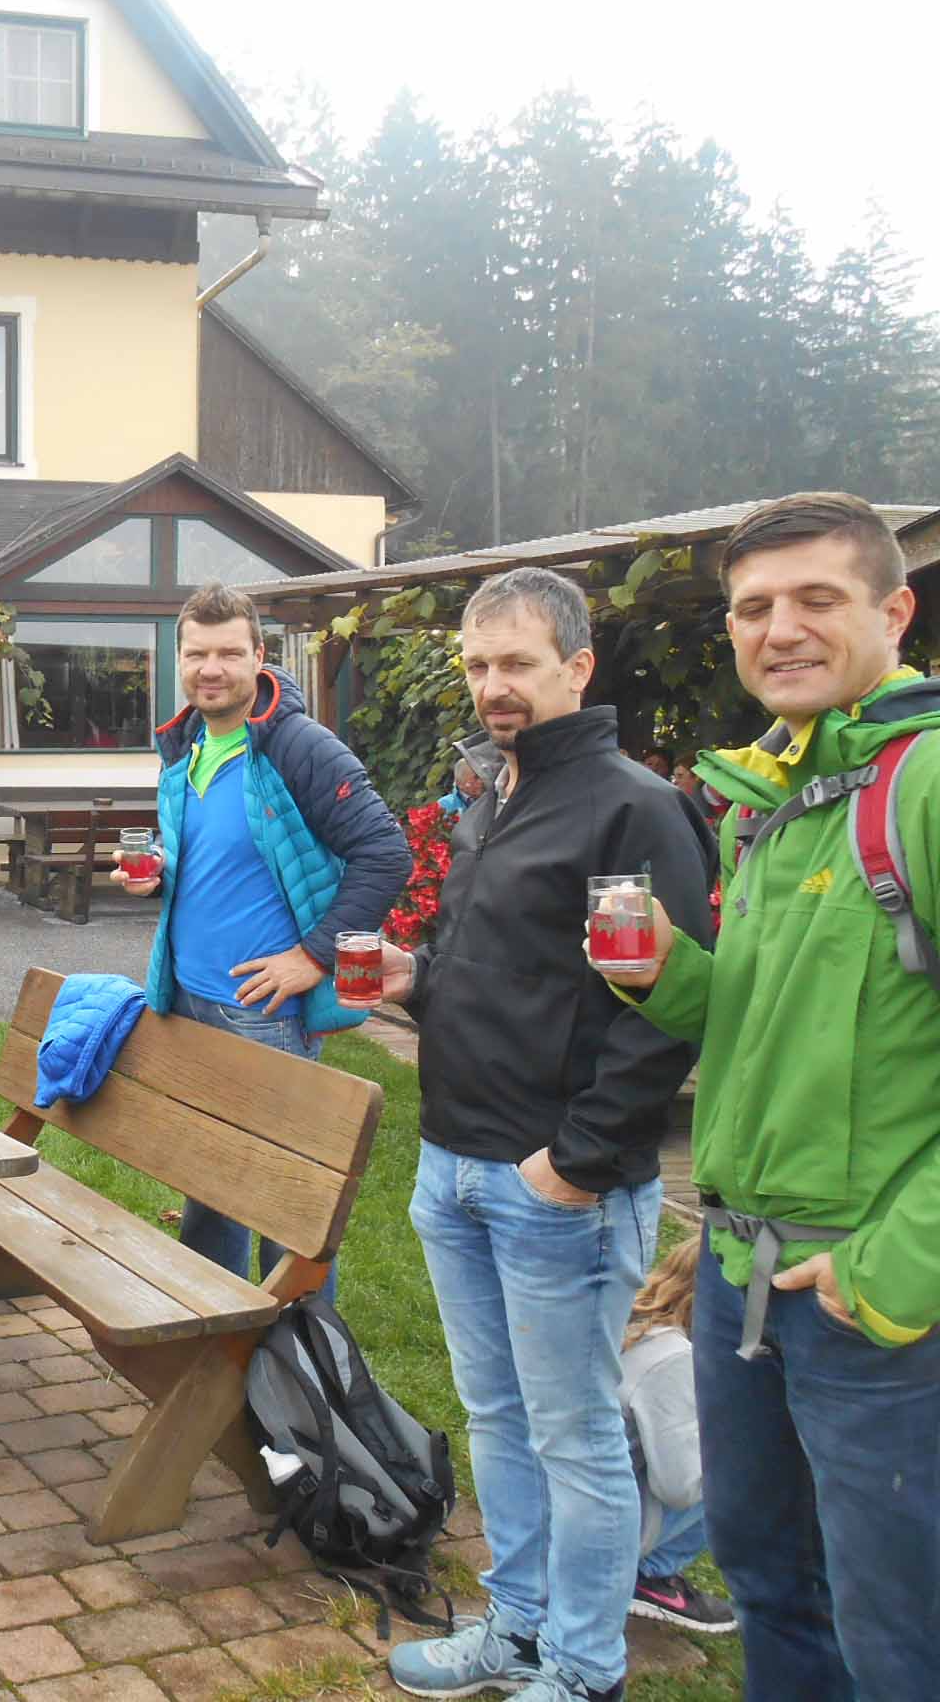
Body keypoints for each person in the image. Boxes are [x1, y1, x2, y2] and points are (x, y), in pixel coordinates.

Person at [592, 493, 940, 1701]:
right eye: (751, 608)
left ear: (894, 612)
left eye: (815, 600)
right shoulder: (773, 800)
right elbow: (764, 1027)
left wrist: (892, 1269)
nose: (777, 629)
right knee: (769, 1584)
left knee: (900, 1635)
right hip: (739, 1273)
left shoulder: (923, 786)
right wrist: (664, 976)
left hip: (871, 1303)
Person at [377, 567, 717, 1702]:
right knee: (499, 1418)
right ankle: (517, 1628)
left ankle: (583, 1666)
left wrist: (576, 1162)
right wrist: (418, 978)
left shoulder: (632, 808)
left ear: (577, 666)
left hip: (555, 1187)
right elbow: (515, 973)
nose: (493, 687)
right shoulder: (494, 796)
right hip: (454, 1164)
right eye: (478, 666)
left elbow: (665, 1010)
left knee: (574, 1435)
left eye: (516, 663)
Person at [114, 584, 409, 1302]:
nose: (210, 669)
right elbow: (223, 852)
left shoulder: (299, 745)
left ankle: (303, 1353)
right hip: (188, 997)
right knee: (209, 1184)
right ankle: (207, 1329)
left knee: (286, 1205)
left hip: (262, 1009)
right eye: (196, 654)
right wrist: (157, 875)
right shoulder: (185, 743)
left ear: (259, 655)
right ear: (179, 659)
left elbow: (385, 853)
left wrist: (313, 956)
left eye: (228, 653)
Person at [618, 1238, 735, 1635]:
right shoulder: (673, 1361)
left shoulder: (632, 1319)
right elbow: (680, 1489)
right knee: (755, 1467)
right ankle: (646, 1574)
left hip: (546, 1503)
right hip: (596, 1530)